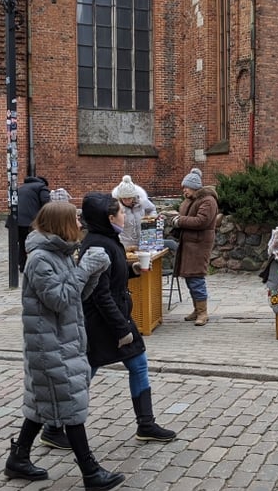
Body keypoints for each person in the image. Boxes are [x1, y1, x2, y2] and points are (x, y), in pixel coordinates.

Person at [4, 201, 126, 491]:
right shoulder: (40, 260)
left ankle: (19, 457)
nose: (81, 224)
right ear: (61, 224)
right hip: (49, 345)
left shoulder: (59, 254)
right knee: (70, 405)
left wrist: (93, 273)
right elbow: (58, 299)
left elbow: (75, 295)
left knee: (41, 404)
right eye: (75, 219)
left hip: (63, 340)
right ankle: (90, 471)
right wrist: (85, 269)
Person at [42, 192, 175, 447]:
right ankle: (53, 426)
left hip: (114, 318)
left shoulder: (108, 239)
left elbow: (112, 274)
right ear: (109, 217)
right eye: (121, 213)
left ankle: (145, 424)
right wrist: (122, 328)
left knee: (137, 365)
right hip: (103, 323)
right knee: (85, 375)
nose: (124, 216)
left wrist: (133, 271)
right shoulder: (98, 245)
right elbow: (100, 294)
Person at [169, 168, 220, 326]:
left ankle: (203, 312)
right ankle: (197, 309)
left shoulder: (208, 201)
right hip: (190, 244)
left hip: (199, 245)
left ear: (194, 187)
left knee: (196, 277)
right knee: (191, 278)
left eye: (186, 187)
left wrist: (179, 221)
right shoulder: (191, 199)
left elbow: (201, 221)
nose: (184, 190)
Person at [12, 175, 51, 272]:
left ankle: (22, 266)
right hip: (30, 221)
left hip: (15, 220)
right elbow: (46, 203)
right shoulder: (41, 187)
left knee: (22, 243)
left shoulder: (21, 188)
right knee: (36, 242)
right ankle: (35, 266)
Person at [111, 175, 156, 251]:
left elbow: (152, 209)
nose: (127, 201)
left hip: (143, 241)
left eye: (129, 198)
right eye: (124, 199)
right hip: (124, 244)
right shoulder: (116, 207)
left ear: (134, 196)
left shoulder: (142, 202)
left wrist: (152, 217)